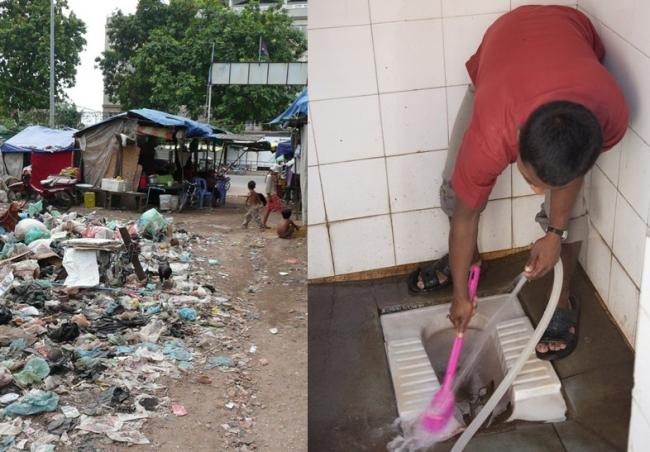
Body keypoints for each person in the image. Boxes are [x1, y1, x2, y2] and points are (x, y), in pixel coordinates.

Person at [408, 5, 628, 361]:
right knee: (457, 187)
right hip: (507, 43)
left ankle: (561, 299)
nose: (537, 191)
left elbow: (575, 169)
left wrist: (554, 234)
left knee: (572, 210)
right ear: (516, 138)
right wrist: (461, 296)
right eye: (530, 179)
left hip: (570, 32)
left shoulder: (610, 114)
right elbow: (466, 216)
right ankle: (466, 263)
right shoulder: (492, 132)